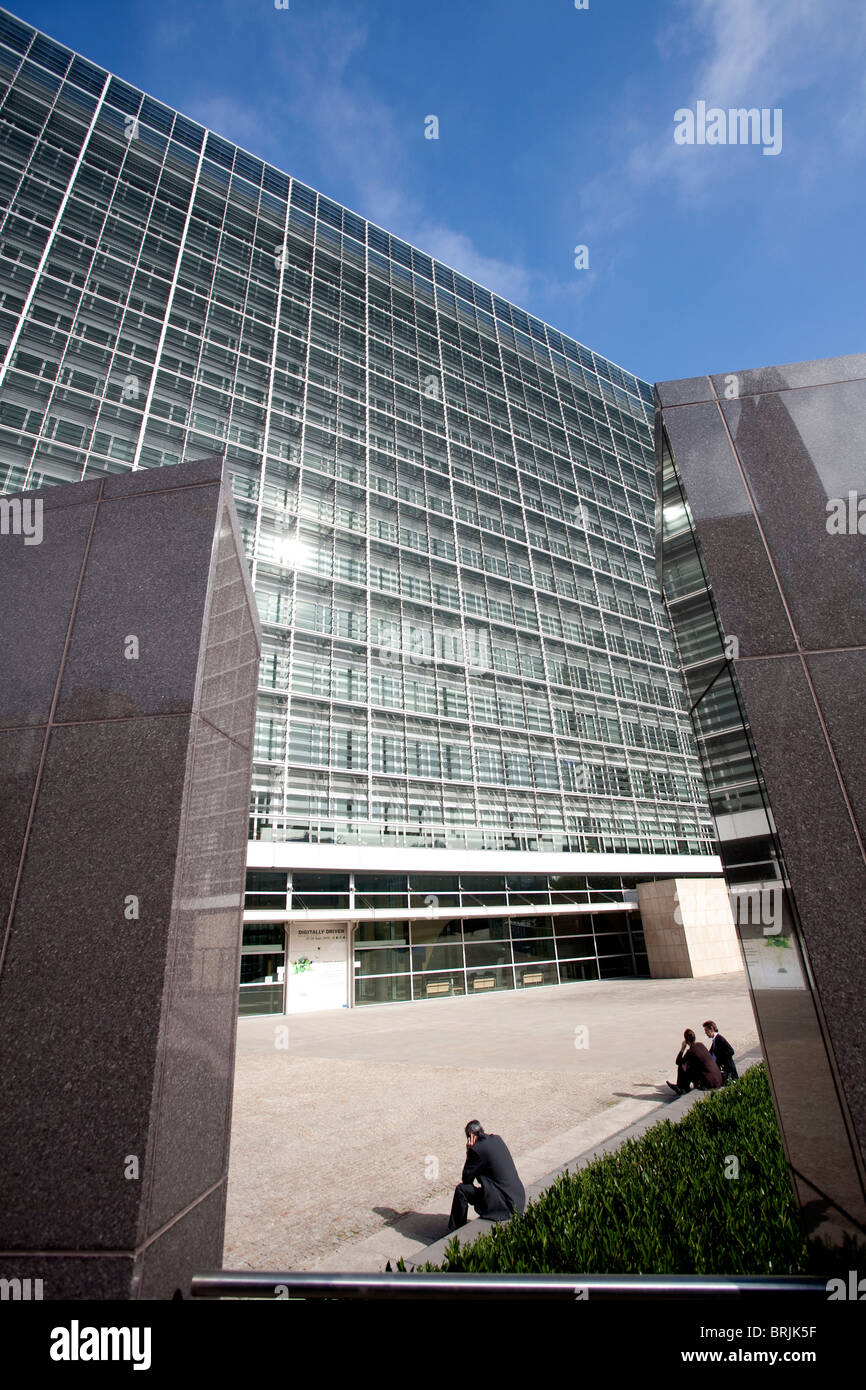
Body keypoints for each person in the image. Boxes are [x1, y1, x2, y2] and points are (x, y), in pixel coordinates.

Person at [446, 1120, 526, 1233]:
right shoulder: (497, 1139)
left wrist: (469, 1151)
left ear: (471, 1137)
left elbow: (466, 1179)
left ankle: (455, 1230)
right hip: (518, 1199)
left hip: (505, 1205)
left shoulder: (477, 1149)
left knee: (461, 1190)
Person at [667, 1028, 723, 1094]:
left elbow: (678, 1062)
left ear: (686, 1040)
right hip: (718, 1080)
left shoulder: (691, 1051)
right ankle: (682, 1087)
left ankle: (681, 1088)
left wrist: (682, 1049)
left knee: (682, 1066)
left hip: (709, 1083)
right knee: (688, 1066)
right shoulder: (701, 1045)